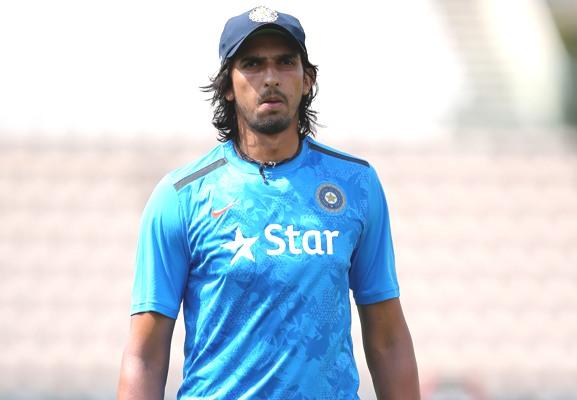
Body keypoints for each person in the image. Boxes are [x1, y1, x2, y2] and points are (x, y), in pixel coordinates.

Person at [117, 6, 420, 400]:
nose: (271, 78)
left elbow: (388, 338)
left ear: (307, 79)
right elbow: (145, 354)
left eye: (285, 63)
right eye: (253, 64)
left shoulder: (356, 186)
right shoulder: (181, 196)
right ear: (228, 84)